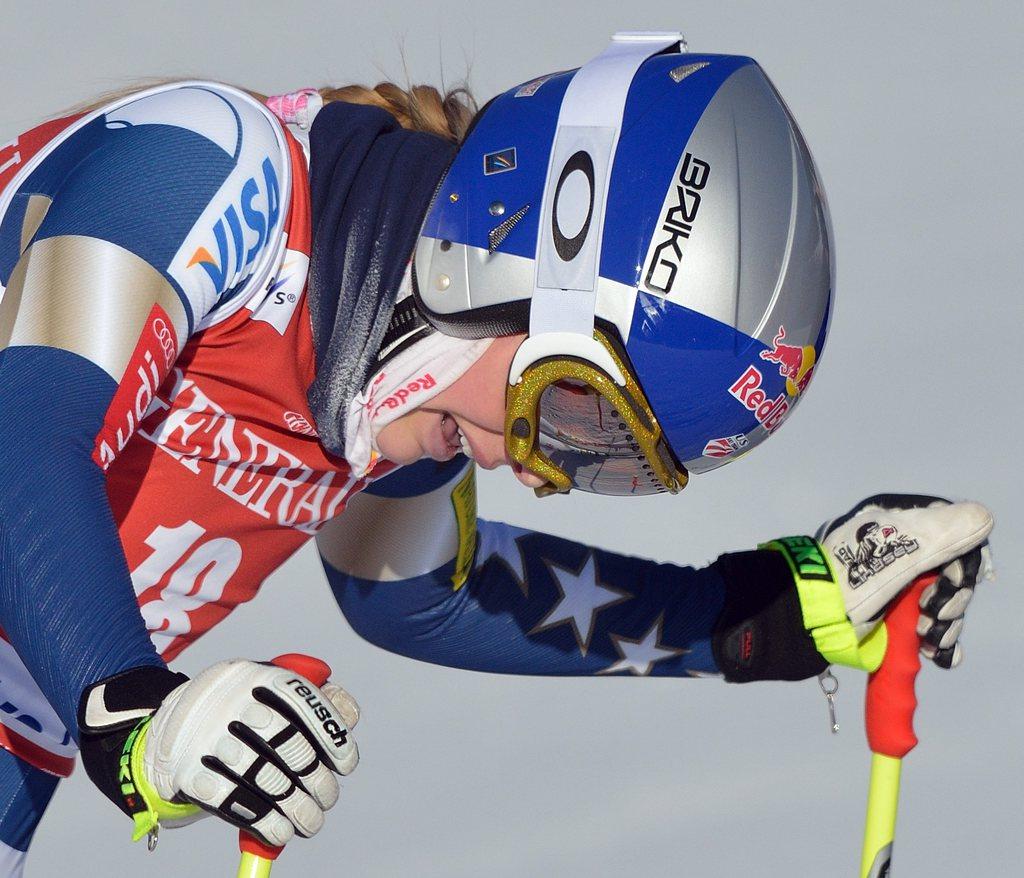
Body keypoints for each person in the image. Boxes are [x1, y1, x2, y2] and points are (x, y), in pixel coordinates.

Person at [0, 31, 993, 876]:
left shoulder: (409, 385)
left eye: (612, 462)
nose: (537, 466)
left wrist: (760, 616)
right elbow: (23, 437)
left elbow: (410, 589)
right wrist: (136, 706)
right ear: (508, 255)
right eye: (578, 412)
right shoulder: (212, 169)